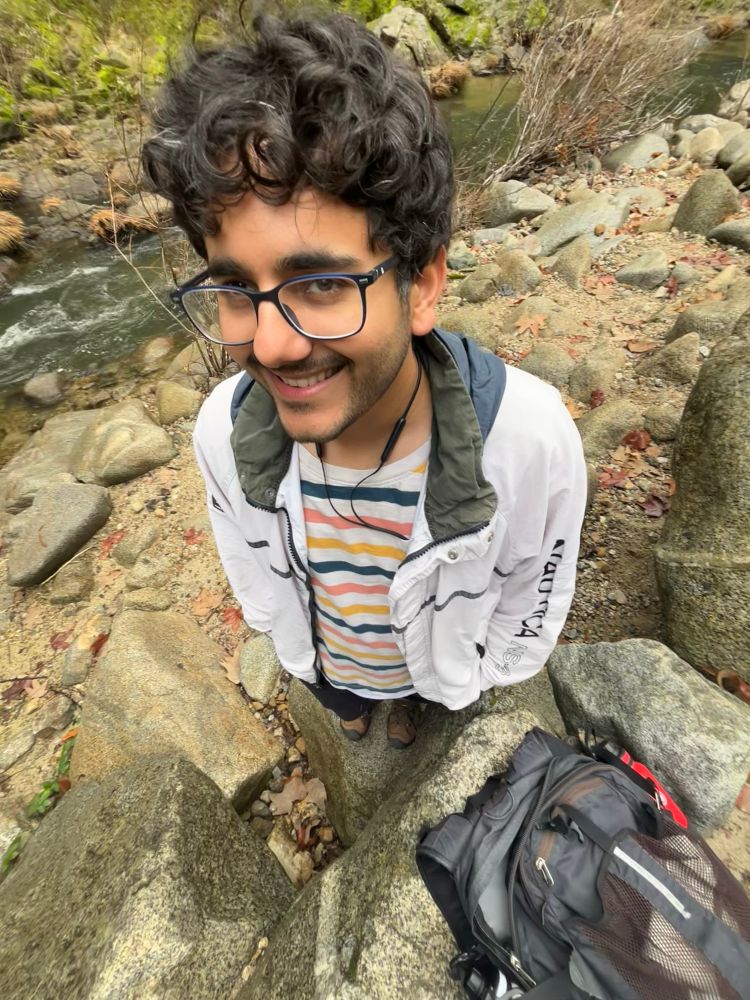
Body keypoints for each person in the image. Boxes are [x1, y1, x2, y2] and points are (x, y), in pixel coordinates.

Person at [142, 11, 587, 750]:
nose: (273, 345)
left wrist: (476, 677)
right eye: (233, 289)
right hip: (324, 651)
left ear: (421, 285)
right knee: (337, 695)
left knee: (428, 691)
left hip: (444, 663)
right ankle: (346, 699)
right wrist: (293, 653)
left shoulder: (529, 442)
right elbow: (250, 569)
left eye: (319, 284)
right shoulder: (223, 431)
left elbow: (532, 595)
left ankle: (418, 697)